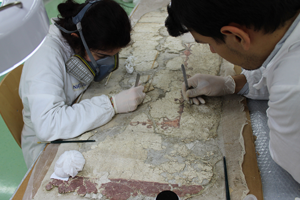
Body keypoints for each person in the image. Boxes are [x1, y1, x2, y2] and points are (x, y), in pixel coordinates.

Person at [165, 0, 300, 183]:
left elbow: (287, 154)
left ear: (237, 36)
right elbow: (275, 66)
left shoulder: (292, 87)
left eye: (208, 43)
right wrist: (234, 84)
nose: (212, 51)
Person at [19, 0, 145, 168]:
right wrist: (111, 105)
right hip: (47, 148)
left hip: (74, 125)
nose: (107, 63)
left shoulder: (81, 37)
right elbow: (48, 125)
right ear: (76, 38)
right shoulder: (45, 57)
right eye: (101, 56)